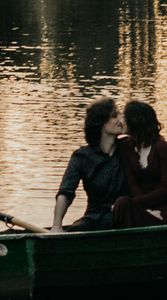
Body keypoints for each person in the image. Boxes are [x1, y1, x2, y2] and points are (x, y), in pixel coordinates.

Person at [51, 99, 128, 231]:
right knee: (74, 231)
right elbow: (66, 192)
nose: (121, 119)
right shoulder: (81, 157)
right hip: (93, 216)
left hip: (123, 215)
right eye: (115, 116)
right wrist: (57, 225)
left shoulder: (129, 148)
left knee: (108, 221)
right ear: (100, 122)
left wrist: (129, 129)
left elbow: (150, 137)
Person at [110, 99, 167, 228]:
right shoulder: (126, 147)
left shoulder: (162, 148)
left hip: (164, 210)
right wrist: (144, 209)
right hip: (142, 206)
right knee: (122, 203)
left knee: (122, 204)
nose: (122, 121)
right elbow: (133, 183)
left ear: (136, 123)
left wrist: (138, 204)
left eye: (125, 117)